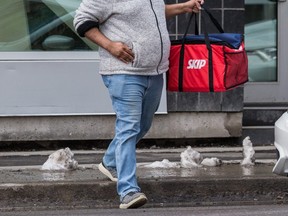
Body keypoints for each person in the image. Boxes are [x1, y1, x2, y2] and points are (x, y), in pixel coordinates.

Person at [74, 0, 204, 209]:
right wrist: (110, 46)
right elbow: (81, 20)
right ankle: (128, 191)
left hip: (154, 72)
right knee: (129, 126)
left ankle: (109, 162)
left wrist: (183, 7)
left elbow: (150, 12)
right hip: (124, 72)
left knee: (142, 125)